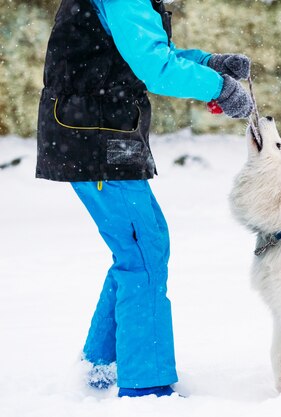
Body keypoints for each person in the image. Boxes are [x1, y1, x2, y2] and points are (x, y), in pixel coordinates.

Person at [36, 0, 253, 397]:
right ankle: (146, 388)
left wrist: (209, 63)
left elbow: (144, 50)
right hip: (96, 139)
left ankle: (103, 366)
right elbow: (155, 66)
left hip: (100, 135)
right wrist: (219, 87)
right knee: (143, 254)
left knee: (141, 249)